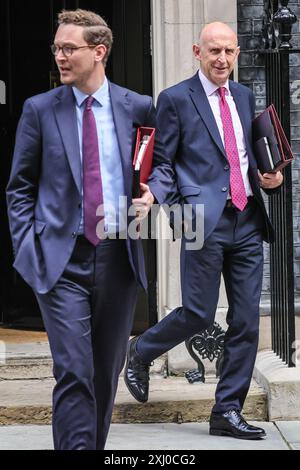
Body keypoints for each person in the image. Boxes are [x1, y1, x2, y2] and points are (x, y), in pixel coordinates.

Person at [6, 9, 172, 450]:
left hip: (119, 258)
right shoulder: (40, 110)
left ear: (98, 52)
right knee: (74, 370)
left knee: (103, 372)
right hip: (61, 260)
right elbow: (19, 188)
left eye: (69, 48)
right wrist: (29, 250)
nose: (60, 56)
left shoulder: (136, 106)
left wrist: (153, 192)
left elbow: (163, 167)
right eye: (56, 48)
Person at [124, 22, 283, 440]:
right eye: (214, 51)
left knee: (247, 319)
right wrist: (168, 205)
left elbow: (245, 156)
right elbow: (163, 162)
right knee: (197, 312)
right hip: (201, 219)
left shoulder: (245, 96)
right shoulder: (176, 99)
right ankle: (141, 350)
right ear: (197, 51)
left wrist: (269, 178)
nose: (222, 59)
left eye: (229, 51)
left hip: (247, 218)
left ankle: (226, 410)